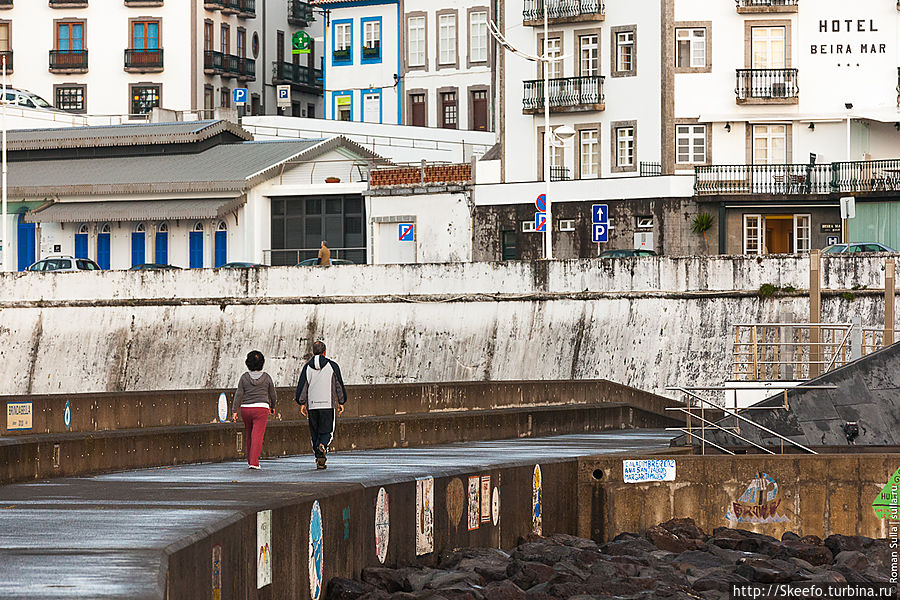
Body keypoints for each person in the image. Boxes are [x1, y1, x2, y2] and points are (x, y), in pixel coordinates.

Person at [295, 340, 347, 469]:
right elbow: (338, 385)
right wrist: (342, 401)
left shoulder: (307, 367)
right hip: (327, 404)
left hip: (312, 405)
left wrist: (301, 403)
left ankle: (320, 458)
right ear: (324, 352)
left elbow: (303, 386)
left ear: (313, 352)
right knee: (327, 432)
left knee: (315, 432)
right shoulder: (332, 366)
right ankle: (323, 445)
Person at [231, 350, 277, 470]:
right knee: (257, 435)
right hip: (261, 408)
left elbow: (238, 394)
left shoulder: (244, 377)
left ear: (248, 363)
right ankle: (254, 462)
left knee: (249, 434)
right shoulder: (266, 377)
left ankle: (250, 459)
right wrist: (273, 406)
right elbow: (273, 394)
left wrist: (234, 411)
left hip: (246, 409)